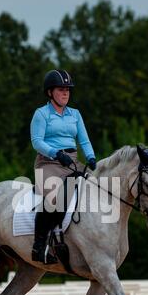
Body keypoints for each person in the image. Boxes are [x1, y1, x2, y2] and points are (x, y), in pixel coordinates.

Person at [30, 69, 97, 264]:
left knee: (100, 191)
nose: (66, 93)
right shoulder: (41, 114)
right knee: (54, 200)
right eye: (61, 89)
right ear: (50, 92)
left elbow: (84, 141)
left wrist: (92, 158)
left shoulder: (75, 114)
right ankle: (40, 246)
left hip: (73, 161)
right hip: (48, 163)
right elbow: (36, 141)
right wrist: (56, 153)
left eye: (68, 89)